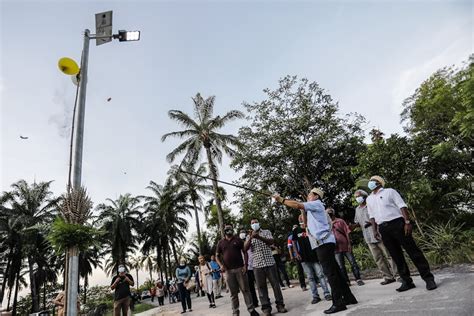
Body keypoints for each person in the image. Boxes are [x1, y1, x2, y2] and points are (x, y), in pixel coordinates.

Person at [274, 188, 357, 314]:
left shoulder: (316, 204)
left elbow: (296, 204)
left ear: (317, 196)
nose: (307, 197)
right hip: (324, 243)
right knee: (335, 271)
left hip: (323, 243)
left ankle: (338, 303)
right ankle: (349, 297)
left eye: (309, 195)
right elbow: (305, 223)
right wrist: (302, 209)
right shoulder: (313, 208)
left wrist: (281, 199)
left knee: (330, 273)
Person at [366, 175, 437, 292]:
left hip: (397, 224)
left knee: (413, 251)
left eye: (372, 181)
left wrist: (407, 222)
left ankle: (428, 278)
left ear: (379, 183)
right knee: (396, 255)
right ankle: (407, 281)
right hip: (383, 228)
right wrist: (375, 230)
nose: (370, 183)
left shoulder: (390, 191)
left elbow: (402, 206)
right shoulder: (369, 199)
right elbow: (372, 216)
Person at [352, 189, 398, 285]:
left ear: (364, 196)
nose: (357, 198)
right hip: (368, 237)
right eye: (356, 197)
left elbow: (380, 216)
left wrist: (371, 222)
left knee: (389, 255)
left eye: (358, 196)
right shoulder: (357, 209)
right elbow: (357, 222)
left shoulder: (371, 205)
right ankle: (388, 277)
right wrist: (352, 226)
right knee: (378, 258)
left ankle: (397, 275)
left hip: (378, 234)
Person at [244, 219, 287, 316]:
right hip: (257, 265)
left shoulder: (266, 232)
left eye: (256, 222)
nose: (254, 224)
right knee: (261, 287)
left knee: (276, 285)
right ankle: (266, 308)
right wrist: (251, 238)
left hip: (270, 263)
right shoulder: (248, 236)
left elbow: (271, 241)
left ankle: (280, 305)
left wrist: (258, 237)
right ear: (250, 226)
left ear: (259, 224)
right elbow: (245, 248)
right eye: (252, 223)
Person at [216, 224, 260, 316]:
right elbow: (217, 256)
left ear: (232, 229)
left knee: (246, 290)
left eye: (230, 228)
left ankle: (251, 310)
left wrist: (245, 265)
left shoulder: (238, 240)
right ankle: (235, 312)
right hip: (228, 271)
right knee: (233, 294)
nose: (229, 230)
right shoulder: (220, 242)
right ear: (224, 230)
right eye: (227, 229)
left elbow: (245, 251)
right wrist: (221, 265)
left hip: (240, 269)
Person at [292, 214, 332, 304]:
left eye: (302, 216)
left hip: (315, 255)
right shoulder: (296, 230)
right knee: (310, 277)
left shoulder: (311, 227)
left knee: (320, 275)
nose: (301, 217)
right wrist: (296, 253)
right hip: (303, 257)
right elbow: (293, 242)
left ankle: (327, 293)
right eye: (300, 217)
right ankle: (315, 296)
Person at [326, 207, 365, 286]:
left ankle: (358, 279)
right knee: (341, 266)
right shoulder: (326, 224)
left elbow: (347, 232)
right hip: (336, 248)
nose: (329, 214)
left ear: (333, 213)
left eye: (330, 212)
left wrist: (349, 244)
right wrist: (331, 225)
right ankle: (346, 281)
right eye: (327, 213)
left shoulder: (340, 221)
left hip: (345, 245)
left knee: (353, 263)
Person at [241, 229, 259, 307]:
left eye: (243, 232)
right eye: (240, 233)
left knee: (260, 285)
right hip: (247, 267)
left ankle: (266, 300)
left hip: (256, 265)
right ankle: (255, 302)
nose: (242, 234)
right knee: (251, 287)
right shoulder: (239, 243)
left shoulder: (250, 238)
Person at [287, 227, 307, 291]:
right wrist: (291, 256)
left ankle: (316, 281)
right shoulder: (290, 237)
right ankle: (303, 285)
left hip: (305, 253)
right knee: (300, 270)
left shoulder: (302, 234)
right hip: (297, 255)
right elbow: (290, 247)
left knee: (310, 267)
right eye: (294, 228)